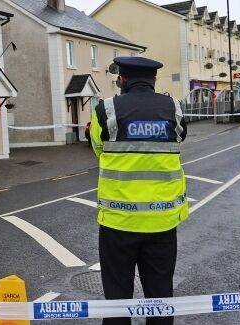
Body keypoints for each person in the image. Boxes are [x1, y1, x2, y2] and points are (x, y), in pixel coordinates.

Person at [89, 56, 189, 325]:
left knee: (117, 301)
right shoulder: (174, 109)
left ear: (121, 79)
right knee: (159, 299)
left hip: (117, 223)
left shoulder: (105, 111)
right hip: (162, 222)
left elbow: (98, 149)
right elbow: (180, 138)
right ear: (154, 80)